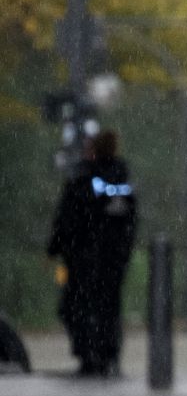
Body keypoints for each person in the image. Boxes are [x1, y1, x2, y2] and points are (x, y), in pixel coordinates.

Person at [46, 130, 139, 377]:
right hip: (113, 260)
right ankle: (109, 353)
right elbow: (129, 221)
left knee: (76, 307)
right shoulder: (122, 182)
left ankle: (89, 355)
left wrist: (57, 247)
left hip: (83, 259)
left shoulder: (83, 179)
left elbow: (68, 219)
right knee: (108, 307)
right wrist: (122, 251)